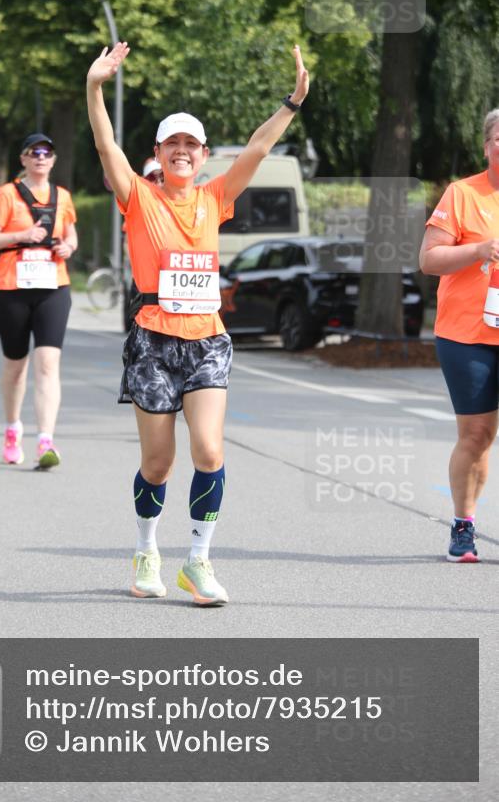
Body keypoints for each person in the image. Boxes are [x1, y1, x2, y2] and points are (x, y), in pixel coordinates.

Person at [87, 41, 309, 606]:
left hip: (207, 337)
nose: (182, 151)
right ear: (157, 152)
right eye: (172, 143)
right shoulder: (137, 195)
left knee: (209, 451)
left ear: (203, 154)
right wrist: (95, 86)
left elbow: (259, 149)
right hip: (153, 339)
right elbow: (105, 144)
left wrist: (292, 102)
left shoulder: (215, 198)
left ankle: (199, 561)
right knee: (158, 462)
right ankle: (145, 549)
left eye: (191, 144)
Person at [419, 107, 499, 563]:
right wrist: (479, 249)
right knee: (477, 433)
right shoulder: (463, 194)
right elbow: (429, 260)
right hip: (467, 333)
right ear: (487, 145)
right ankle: (463, 525)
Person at [0, 134, 78, 469]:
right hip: (11, 289)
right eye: (34, 152)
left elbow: (70, 233)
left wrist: (69, 246)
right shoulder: (7, 195)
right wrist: (20, 236)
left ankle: (45, 442)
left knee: (48, 364)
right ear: (23, 159)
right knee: (16, 366)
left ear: (53, 160)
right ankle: (12, 428)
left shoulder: (62, 196)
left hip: (53, 286)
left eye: (47, 152)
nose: (41, 157)